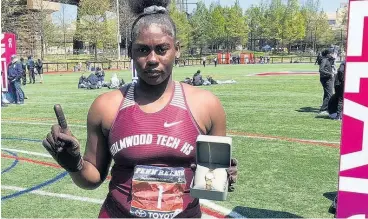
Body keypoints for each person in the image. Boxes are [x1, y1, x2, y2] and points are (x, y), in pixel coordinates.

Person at [42, 0, 237, 218]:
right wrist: (74, 164)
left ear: (177, 50)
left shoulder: (207, 105)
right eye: (143, 50)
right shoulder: (106, 106)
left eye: (162, 49)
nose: (152, 59)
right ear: (130, 52)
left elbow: (213, 181)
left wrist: (222, 176)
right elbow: (92, 179)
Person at [318, 49, 334, 115]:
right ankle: (325, 109)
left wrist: (332, 59)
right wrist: (329, 74)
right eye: (330, 53)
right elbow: (321, 69)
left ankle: (324, 109)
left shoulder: (327, 59)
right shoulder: (324, 60)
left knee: (327, 94)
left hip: (326, 78)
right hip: (326, 79)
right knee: (329, 94)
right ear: (327, 54)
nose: (331, 54)